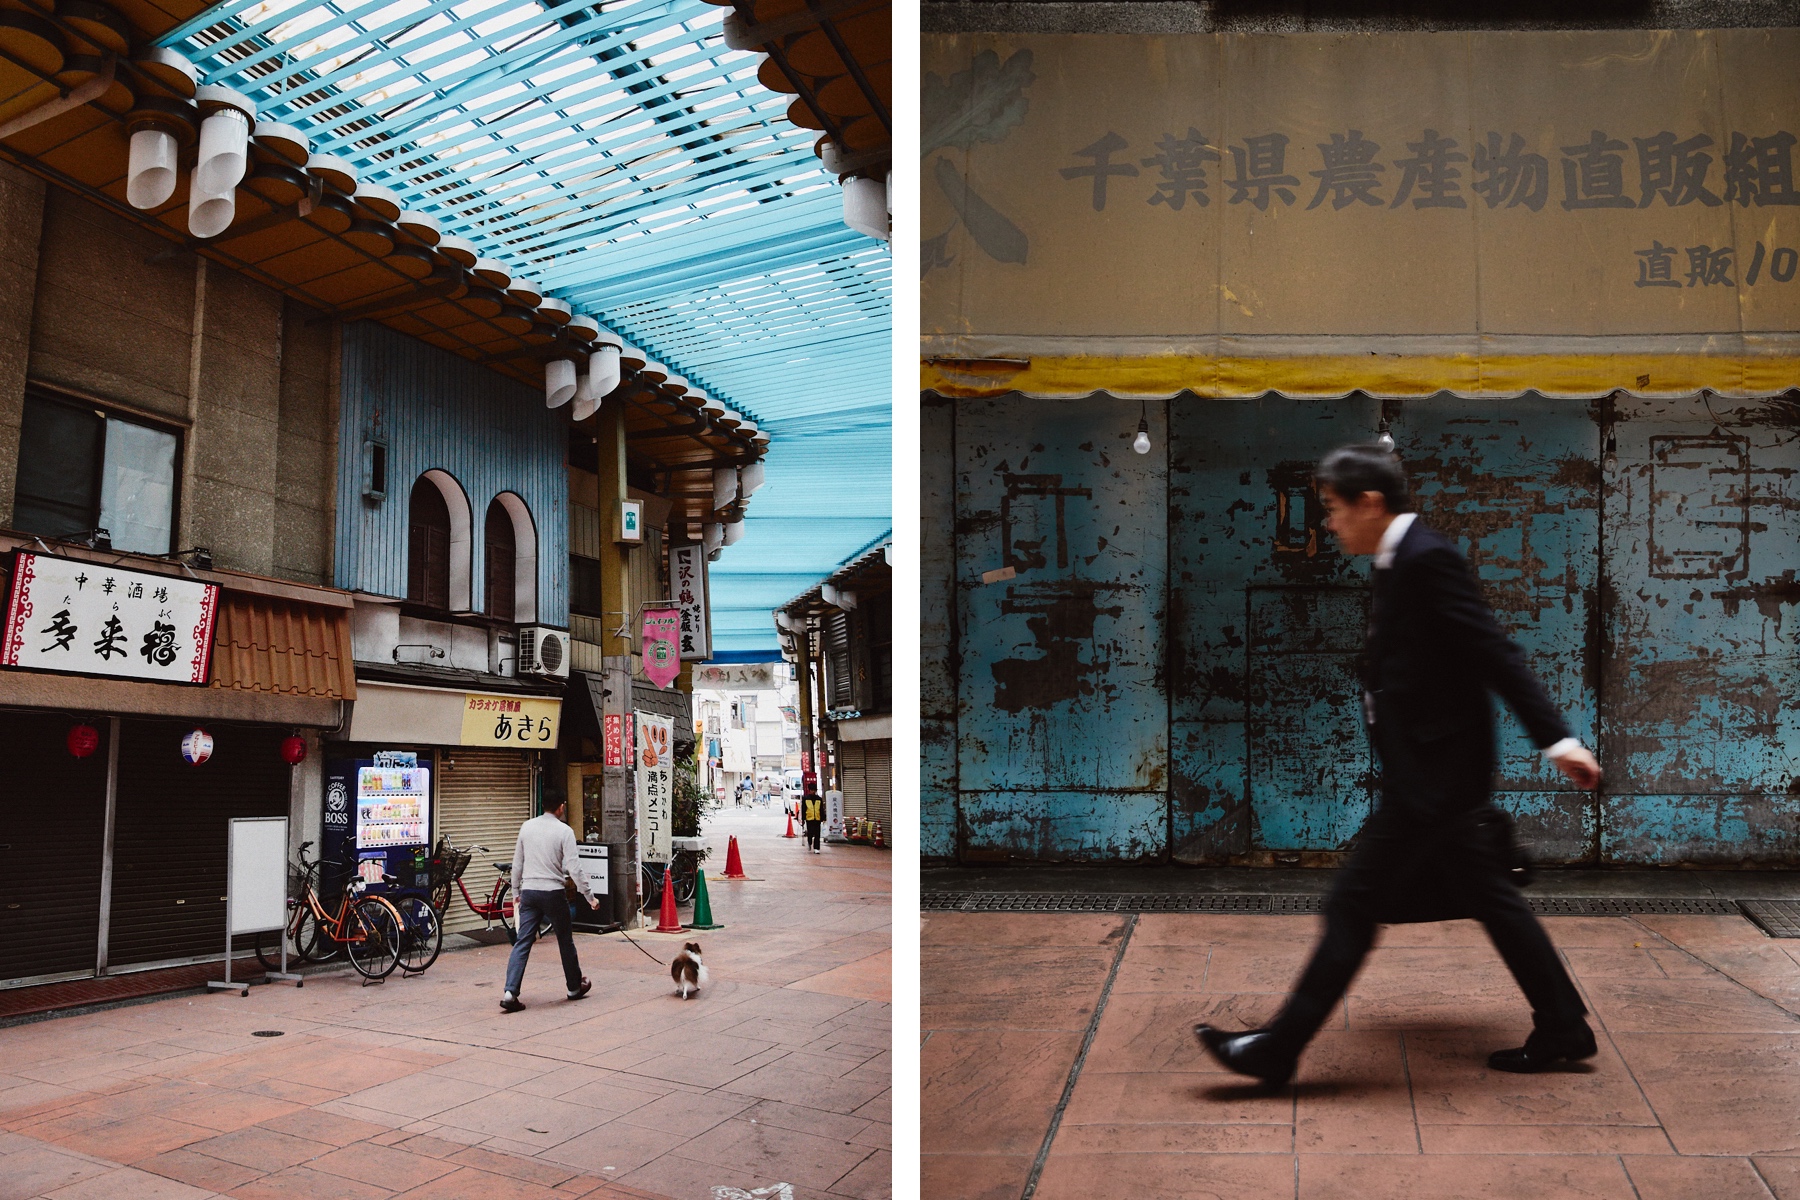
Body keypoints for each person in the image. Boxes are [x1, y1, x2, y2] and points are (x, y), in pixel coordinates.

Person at [1195, 444, 1605, 1086]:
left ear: (1370, 502)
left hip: (1432, 783)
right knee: (1495, 902)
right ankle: (1563, 1025)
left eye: (1333, 509)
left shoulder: (1426, 558)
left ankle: (1279, 1048)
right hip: (1433, 775)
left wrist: (1558, 742)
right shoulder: (1397, 560)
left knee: (1353, 907)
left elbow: (1493, 652)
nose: (1328, 524)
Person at [499, 795, 598, 1013]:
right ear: (561, 806)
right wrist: (590, 897)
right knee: (565, 939)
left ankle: (510, 992)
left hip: (530, 892)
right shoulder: (565, 831)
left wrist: (516, 892)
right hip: (553, 893)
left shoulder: (527, 827)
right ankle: (573, 987)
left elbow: (517, 863)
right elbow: (575, 867)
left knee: (523, 941)